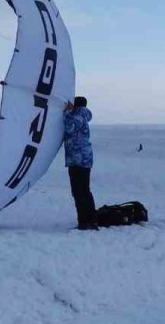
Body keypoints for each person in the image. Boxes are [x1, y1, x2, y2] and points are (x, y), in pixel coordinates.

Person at [63, 96, 96, 230]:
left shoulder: (78, 115)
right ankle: (91, 220)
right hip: (83, 159)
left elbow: (69, 128)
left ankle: (85, 222)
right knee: (84, 191)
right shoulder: (82, 115)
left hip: (78, 159)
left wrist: (66, 112)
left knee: (79, 192)